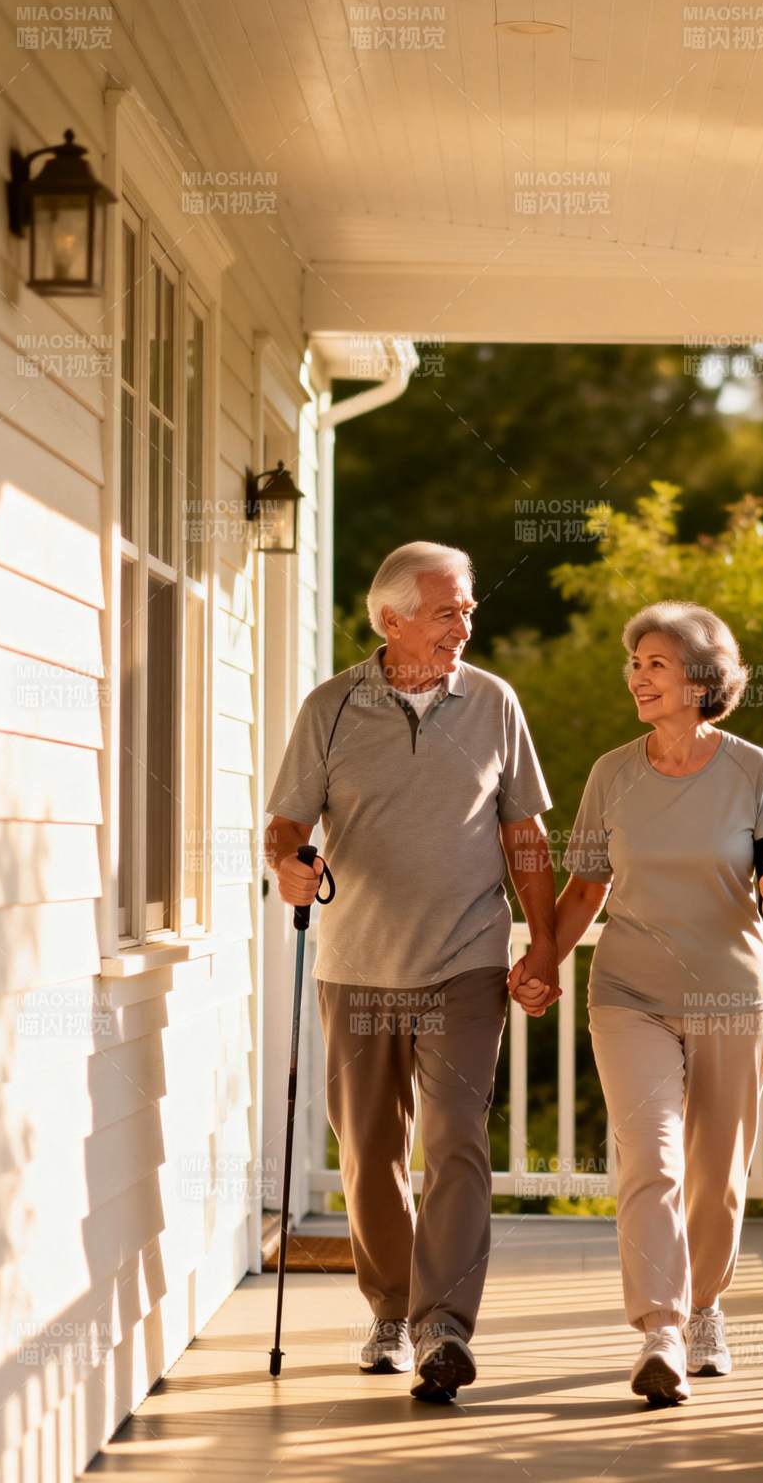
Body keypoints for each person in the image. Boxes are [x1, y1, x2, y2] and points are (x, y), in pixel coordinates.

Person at [265, 541, 559, 1403]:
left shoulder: (494, 703)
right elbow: (287, 826)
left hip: (465, 960)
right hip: (356, 964)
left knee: (456, 1139)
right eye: (446, 612)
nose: (464, 625)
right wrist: (287, 866)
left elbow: (525, 836)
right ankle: (391, 1311)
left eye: (468, 609)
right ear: (391, 620)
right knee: (368, 1152)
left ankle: (444, 1329)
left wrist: (543, 945)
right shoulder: (330, 708)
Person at [511, 600, 763, 1406]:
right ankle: (662, 1330)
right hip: (629, 993)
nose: (636, 678)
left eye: (654, 665)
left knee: (716, 1174)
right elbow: (585, 889)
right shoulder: (612, 774)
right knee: (651, 1158)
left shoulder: (752, 770)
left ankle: (705, 1306)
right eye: (634, 664)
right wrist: (540, 963)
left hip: (732, 995)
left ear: (702, 681)